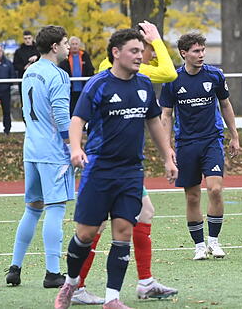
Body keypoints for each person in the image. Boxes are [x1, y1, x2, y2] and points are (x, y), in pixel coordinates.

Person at [53, 28, 178, 309]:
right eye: (134, 51)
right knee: (86, 234)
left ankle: (112, 298)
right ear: (116, 53)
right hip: (99, 170)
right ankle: (71, 283)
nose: (140, 56)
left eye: (141, 51)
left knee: (123, 231)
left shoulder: (144, 84)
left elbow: (154, 122)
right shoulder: (98, 84)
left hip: (131, 171)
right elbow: (77, 120)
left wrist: (168, 157)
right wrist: (76, 148)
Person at [160, 33, 242, 260]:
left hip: (212, 140)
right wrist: (167, 148)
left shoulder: (215, 75)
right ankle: (199, 246)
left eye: (203, 50)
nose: (201, 54)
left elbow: (225, 105)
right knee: (193, 196)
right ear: (184, 53)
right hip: (186, 144)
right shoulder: (172, 80)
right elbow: (166, 115)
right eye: (196, 51)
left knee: (215, 189)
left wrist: (234, 136)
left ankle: (214, 242)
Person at [5, 26, 72, 289]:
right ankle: (52, 273)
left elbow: (26, 111)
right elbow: (61, 114)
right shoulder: (58, 74)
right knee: (55, 208)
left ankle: (15, 268)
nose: (68, 47)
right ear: (55, 47)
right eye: (65, 43)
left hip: (31, 147)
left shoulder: (29, 72)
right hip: (52, 151)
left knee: (33, 208)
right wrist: (72, 144)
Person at [59, 37, 95, 114]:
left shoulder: (84, 55)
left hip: (83, 89)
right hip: (69, 90)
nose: (75, 46)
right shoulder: (65, 56)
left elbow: (90, 70)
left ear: (79, 45)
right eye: (73, 44)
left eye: (76, 44)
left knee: (83, 111)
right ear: (69, 45)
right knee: (71, 111)